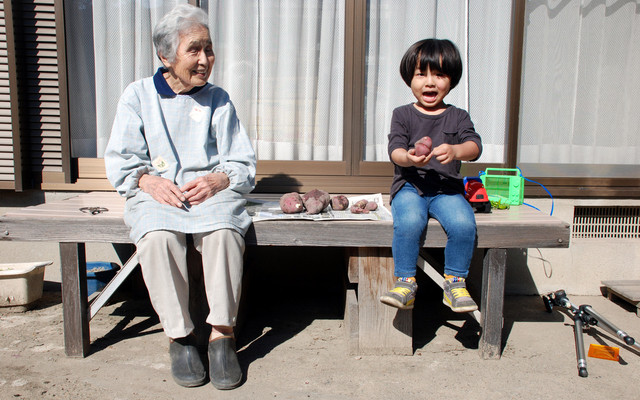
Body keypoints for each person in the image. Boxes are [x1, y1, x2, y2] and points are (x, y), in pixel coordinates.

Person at [104, 4, 256, 391]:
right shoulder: (138, 95)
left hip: (209, 192)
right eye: (195, 50)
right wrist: (148, 181)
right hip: (158, 191)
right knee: (157, 237)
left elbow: (240, 161)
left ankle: (222, 334)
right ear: (166, 56)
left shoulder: (218, 99)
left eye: (209, 49)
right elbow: (123, 159)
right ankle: (180, 336)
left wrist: (220, 179)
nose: (205, 59)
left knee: (224, 232)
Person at [379, 39, 482, 313]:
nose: (430, 82)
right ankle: (405, 283)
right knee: (410, 221)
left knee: (464, 225)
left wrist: (456, 150)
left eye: (439, 74)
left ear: (452, 80)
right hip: (410, 187)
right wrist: (409, 157)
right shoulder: (402, 114)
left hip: (447, 190)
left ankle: (455, 284)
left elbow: (474, 147)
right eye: (421, 74)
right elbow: (395, 150)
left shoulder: (458, 116)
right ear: (409, 79)